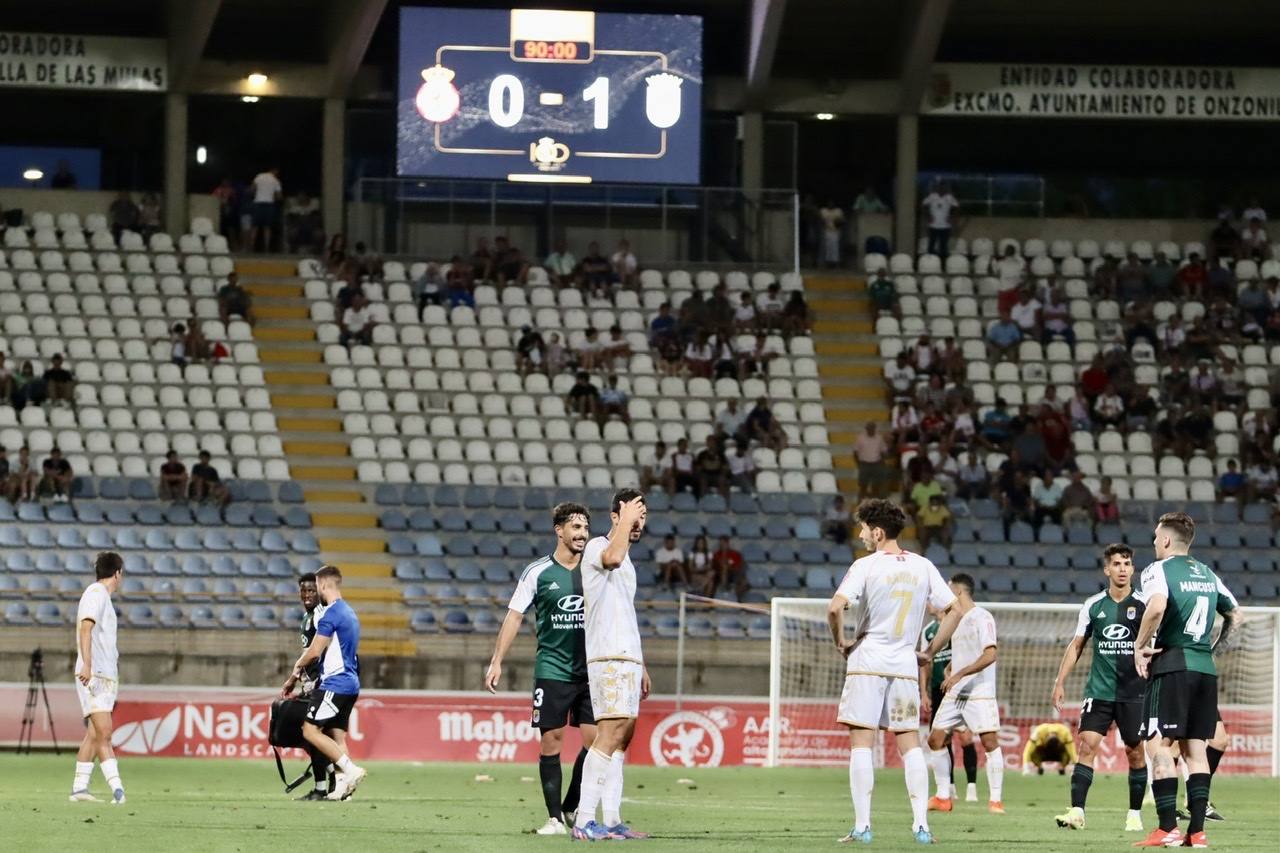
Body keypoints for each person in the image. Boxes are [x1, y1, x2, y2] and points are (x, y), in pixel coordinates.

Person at [828, 498, 959, 844]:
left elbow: (834, 608)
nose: (860, 535)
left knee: (861, 744)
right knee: (910, 745)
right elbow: (955, 611)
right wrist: (928, 652)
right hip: (903, 664)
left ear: (878, 531)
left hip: (867, 661)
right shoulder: (924, 566)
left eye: (864, 529)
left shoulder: (865, 566)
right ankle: (921, 827)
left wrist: (841, 641)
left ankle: (862, 827)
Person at [485, 503, 598, 835]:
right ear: (559, 531)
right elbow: (515, 616)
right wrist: (497, 660)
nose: (582, 534)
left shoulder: (594, 569)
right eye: (576, 527)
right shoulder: (537, 572)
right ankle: (554, 820)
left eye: (586, 528)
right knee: (552, 742)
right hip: (552, 669)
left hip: (590, 671)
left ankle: (571, 807)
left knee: (595, 745)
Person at [1131, 512, 1239, 848]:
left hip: (1172, 663)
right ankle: (1197, 832)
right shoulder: (1207, 573)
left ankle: (1166, 828)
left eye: (1155, 537)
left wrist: (1139, 647)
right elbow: (1236, 614)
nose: (1153, 542)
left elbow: (1157, 606)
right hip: (1204, 667)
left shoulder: (1157, 570)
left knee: (1159, 744)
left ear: (1165, 540)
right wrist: (1212, 647)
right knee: (1195, 749)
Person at [1050, 543, 1148, 833]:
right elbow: (1077, 645)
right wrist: (1060, 682)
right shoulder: (1093, 605)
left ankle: (1134, 814)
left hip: (1134, 692)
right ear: (1107, 569)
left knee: (1135, 752)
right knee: (1087, 745)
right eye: (1116, 564)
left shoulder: (1144, 604)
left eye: (1127, 563)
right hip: (1099, 691)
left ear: (1132, 569)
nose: (1122, 569)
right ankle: (1077, 812)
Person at [572, 491, 651, 841]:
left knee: (623, 736)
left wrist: (642, 663)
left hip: (627, 656)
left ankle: (613, 818)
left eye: (644, 517)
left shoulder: (630, 561)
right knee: (610, 732)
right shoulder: (597, 547)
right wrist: (625, 519)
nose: (639, 522)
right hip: (608, 655)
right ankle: (584, 820)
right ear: (615, 515)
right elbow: (613, 557)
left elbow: (626, 613)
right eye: (634, 514)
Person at [923, 572, 1006, 815]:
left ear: (959, 592)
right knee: (935, 740)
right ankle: (942, 797)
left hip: (979, 691)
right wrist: (951, 669)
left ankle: (995, 801)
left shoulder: (982, 617)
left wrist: (960, 674)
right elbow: (961, 653)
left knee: (989, 743)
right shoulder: (954, 619)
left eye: (949, 590)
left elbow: (990, 654)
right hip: (956, 693)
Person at [287, 565, 366, 801]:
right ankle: (343, 788)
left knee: (309, 730)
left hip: (336, 682)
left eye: (317, 587)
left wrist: (296, 668)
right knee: (337, 736)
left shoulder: (331, 613)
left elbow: (314, 651)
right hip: (351, 681)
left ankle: (350, 770)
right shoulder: (350, 612)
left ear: (323, 585)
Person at [69, 552, 126, 804]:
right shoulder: (96, 593)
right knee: (105, 732)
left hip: (105, 675)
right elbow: (86, 626)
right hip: (95, 676)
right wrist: (88, 665)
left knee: (94, 734)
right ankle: (118, 789)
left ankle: (79, 789)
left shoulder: (101, 596)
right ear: (118, 573)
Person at [278, 572, 335, 800]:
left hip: (321, 683)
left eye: (311, 590)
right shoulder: (307, 616)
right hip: (310, 683)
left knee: (311, 734)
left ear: (319, 591)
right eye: (304, 590)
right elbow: (306, 652)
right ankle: (331, 777)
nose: (307, 594)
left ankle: (325, 786)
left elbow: (321, 649)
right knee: (309, 735)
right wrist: (297, 676)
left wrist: (312, 678)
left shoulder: (321, 615)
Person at [920, 609, 980, 806]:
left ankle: (972, 787)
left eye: (931, 600)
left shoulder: (960, 624)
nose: (928, 604)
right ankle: (949, 788)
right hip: (938, 689)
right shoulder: (928, 630)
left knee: (965, 737)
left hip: (960, 687)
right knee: (941, 738)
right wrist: (924, 692)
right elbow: (925, 663)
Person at [249, 166, 283, 252]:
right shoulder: (276, 180)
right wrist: (272, 197)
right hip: (269, 204)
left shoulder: (259, 176)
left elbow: (252, 189)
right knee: (267, 227)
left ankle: (251, 247)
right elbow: (279, 196)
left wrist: (256, 195)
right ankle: (266, 248)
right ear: (275, 171)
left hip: (258, 203)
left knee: (255, 227)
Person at [921, 181, 959, 257]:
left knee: (943, 247)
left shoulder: (949, 197)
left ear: (946, 188)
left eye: (944, 187)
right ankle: (931, 263)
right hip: (933, 226)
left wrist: (951, 217)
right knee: (931, 246)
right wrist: (928, 216)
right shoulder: (932, 196)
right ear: (938, 188)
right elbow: (923, 205)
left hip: (945, 226)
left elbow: (957, 207)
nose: (942, 189)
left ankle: (943, 264)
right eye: (940, 187)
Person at [711, 535, 748, 600]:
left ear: (728, 543)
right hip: (718, 575)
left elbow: (738, 567)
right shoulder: (716, 554)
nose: (722, 545)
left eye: (724, 543)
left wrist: (729, 568)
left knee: (744, 583)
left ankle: (738, 601)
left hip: (733, 574)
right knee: (724, 569)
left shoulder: (736, 554)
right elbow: (715, 567)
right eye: (721, 544)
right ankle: (724, 590)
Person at [818, 200, 844, 267]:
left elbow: (842, 221)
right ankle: (827, 263)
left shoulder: (838, 211)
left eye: (832, 203)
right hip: (827, 231)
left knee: (835, 249)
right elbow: (820, 221)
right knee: (827, 248)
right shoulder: (823, 211)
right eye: (829, 203)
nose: (830, 204)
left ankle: (836, 264)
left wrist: (838, 221)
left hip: (836, 232)